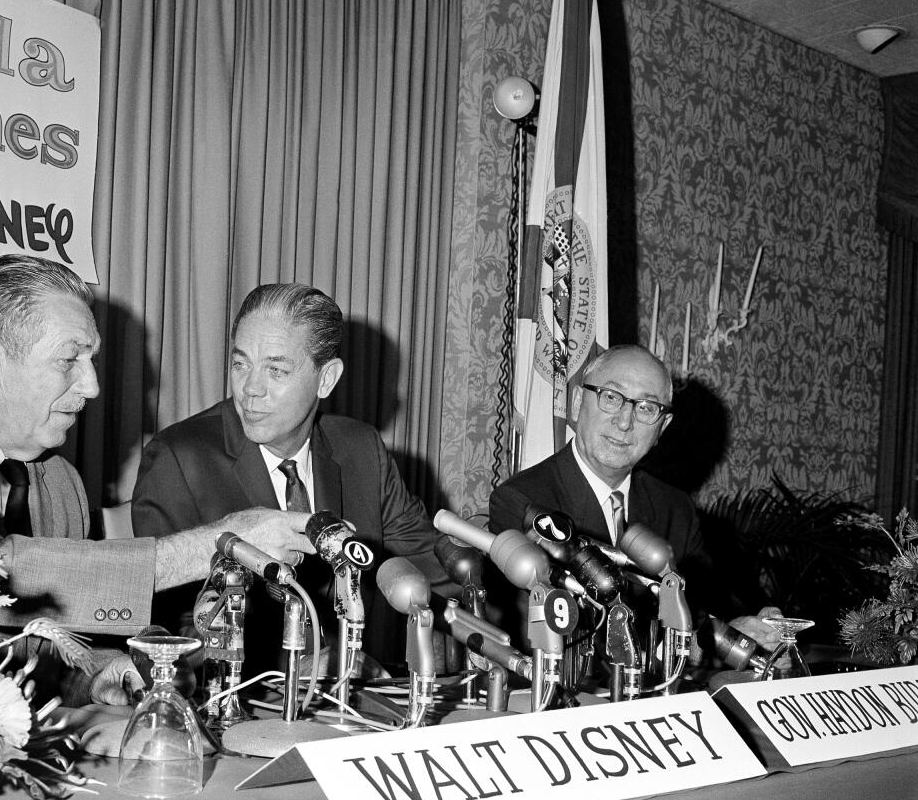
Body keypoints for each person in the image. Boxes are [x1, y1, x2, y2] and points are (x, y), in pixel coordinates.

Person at [0, 255, 313, 711]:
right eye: (68, 359)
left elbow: (50, 644)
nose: (92, 385)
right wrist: (215, 544)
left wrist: (97, 672)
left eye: (90, 360)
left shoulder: (61, 483)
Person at [132, 282, 447, 667]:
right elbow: (162, 634)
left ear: (326, 379)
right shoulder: (179, 458)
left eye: (276, 370)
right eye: (240, 364)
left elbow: (433, 568)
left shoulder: (362, 449)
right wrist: (294, 667)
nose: (251, 388)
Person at [489, 343, 777, 653]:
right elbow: (539, 637)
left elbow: (705, 611)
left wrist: (750, 633)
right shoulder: (522, 501)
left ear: (662, 428)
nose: (625, 422)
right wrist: (693, 647)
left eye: (645, 408)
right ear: (576, 404)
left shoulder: (674, 508)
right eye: (611, 398)